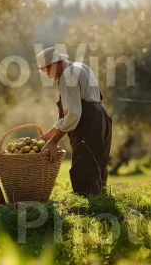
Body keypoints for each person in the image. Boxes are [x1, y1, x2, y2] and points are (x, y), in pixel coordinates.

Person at [36, 47, 112, 196]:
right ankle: (100, 204)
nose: (46, 75)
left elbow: (74, 114)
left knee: (83, 167)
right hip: (100, 118)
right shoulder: (80, 67)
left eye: (45, 71)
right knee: (97, 165)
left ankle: (86, 210)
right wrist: (51, 132)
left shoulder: (67, 76)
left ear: (53, 65)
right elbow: (74, 109)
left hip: (88, 122)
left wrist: (53, 142)